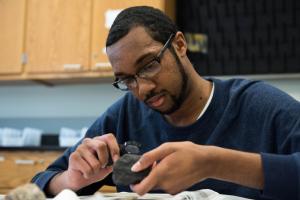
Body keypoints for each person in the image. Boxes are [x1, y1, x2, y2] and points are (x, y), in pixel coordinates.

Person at [32, 6, 300, 200]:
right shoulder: (125, 115)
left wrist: (213, 163)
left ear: (180, 45)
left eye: (149, 65)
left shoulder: (258, 105)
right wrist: (71, 180)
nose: (143, 88)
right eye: (127, 80)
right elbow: (40, 183)